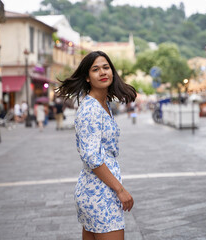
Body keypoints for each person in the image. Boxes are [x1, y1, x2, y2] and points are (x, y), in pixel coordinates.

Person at [57, 51, 136, 239]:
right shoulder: (91, 109)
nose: (102, 72)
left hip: (97, 189)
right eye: (95, 69)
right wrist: (120, 190)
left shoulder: (103, 104)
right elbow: (92, 157)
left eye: (106, 67)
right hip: (100, 193)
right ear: (87, 77)